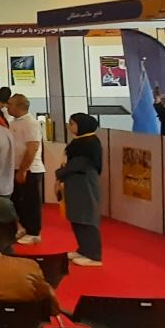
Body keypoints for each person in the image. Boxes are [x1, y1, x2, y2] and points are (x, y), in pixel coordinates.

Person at [57, 112, 105, 267]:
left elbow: (78, 164)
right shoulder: (78, 142)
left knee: (87, 218)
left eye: (72, 124)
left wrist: (60, 173)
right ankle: (83, 249)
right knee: (77, 217)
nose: (69, 126)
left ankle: (94, 255)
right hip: (74, 184)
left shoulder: (90, 143)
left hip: (85, 183)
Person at [5, 94, 45, 243]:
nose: (7, 107)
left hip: (30, 169)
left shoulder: (30, 123)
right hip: (15, 167)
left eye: (10, 104)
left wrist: (23, 170)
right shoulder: (13, 122)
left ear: (19, 106)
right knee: (17, 200)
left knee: (30, 201)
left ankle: (34, 232)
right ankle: (25, 227)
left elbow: (32, 148)